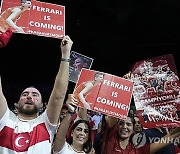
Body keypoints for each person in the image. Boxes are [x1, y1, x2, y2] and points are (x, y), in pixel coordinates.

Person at [0, 35, 73, 153]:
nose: (29, 96)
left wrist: (65, 55)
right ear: (17, 104)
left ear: (42, 106)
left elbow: (59, 95)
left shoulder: (46, 123)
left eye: (35, 95)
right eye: (25, 94)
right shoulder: (5, 119)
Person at [101, 112, 180, 154]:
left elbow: (167, 138)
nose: (124, 127)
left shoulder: (138, 150)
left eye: (129, 124)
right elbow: (114, 110)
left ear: (133, 129)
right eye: (121, 123)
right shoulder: (110, 140)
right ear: (117, 127)